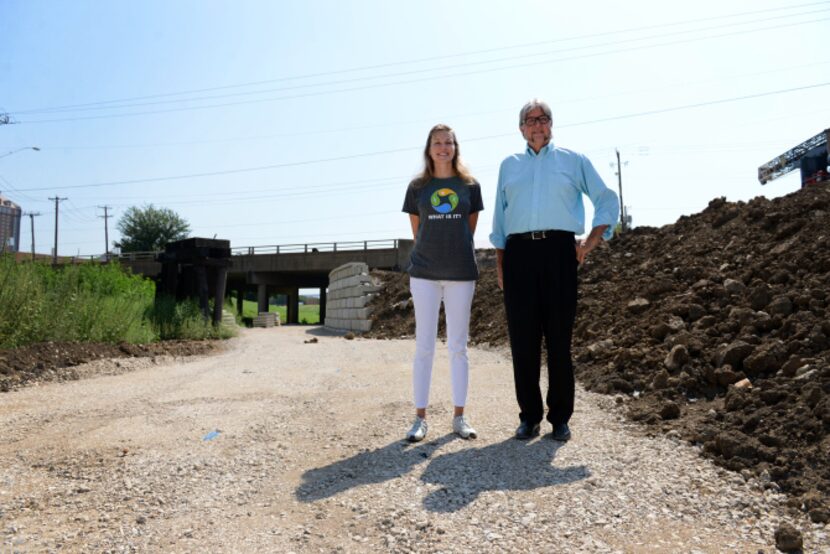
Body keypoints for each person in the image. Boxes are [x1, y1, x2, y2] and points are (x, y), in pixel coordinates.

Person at [489, 99, 619, 441]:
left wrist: (589, 242)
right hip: (518, 254)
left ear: (551, 125)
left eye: (543, 119)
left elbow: (606, 198)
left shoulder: (573, 161)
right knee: (523, 339)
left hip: (560, 251)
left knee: (559, 338)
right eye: (530, 120)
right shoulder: (509, 165)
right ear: (520, 128)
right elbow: (500, 220)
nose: (537, 124)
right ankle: (529, 416)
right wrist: (501, 264)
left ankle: (560, 417)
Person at [401, 124, 484, 442]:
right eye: (437, 142)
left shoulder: (469, 185)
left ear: (455, 147)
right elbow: (417, 232)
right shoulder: (417, 187)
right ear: (429, 148)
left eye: (448, 142)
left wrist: (451, 252)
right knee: (424, 347)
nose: (443, 147)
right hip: (424, 274)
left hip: (461, 273)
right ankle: (419, 419)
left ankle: (459, 417)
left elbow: (469, 229)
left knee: (458, 348)